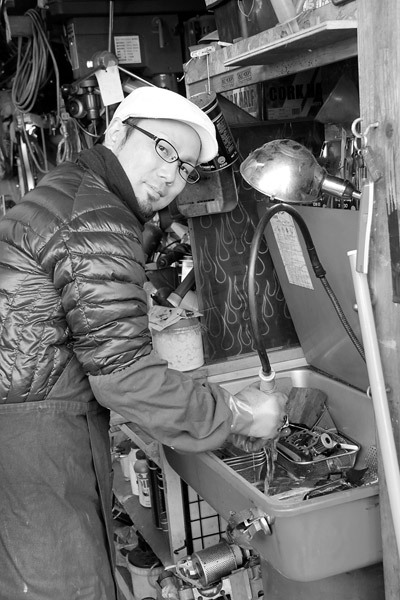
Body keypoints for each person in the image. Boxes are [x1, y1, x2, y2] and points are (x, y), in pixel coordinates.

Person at [0, 86, 287, 600]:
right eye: (162, 149)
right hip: (33, 435)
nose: (170, 175)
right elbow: (126, 378)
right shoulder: (95, 217)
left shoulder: (74, 189)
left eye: (185, 168)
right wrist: (240, 414)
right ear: (116, 133)